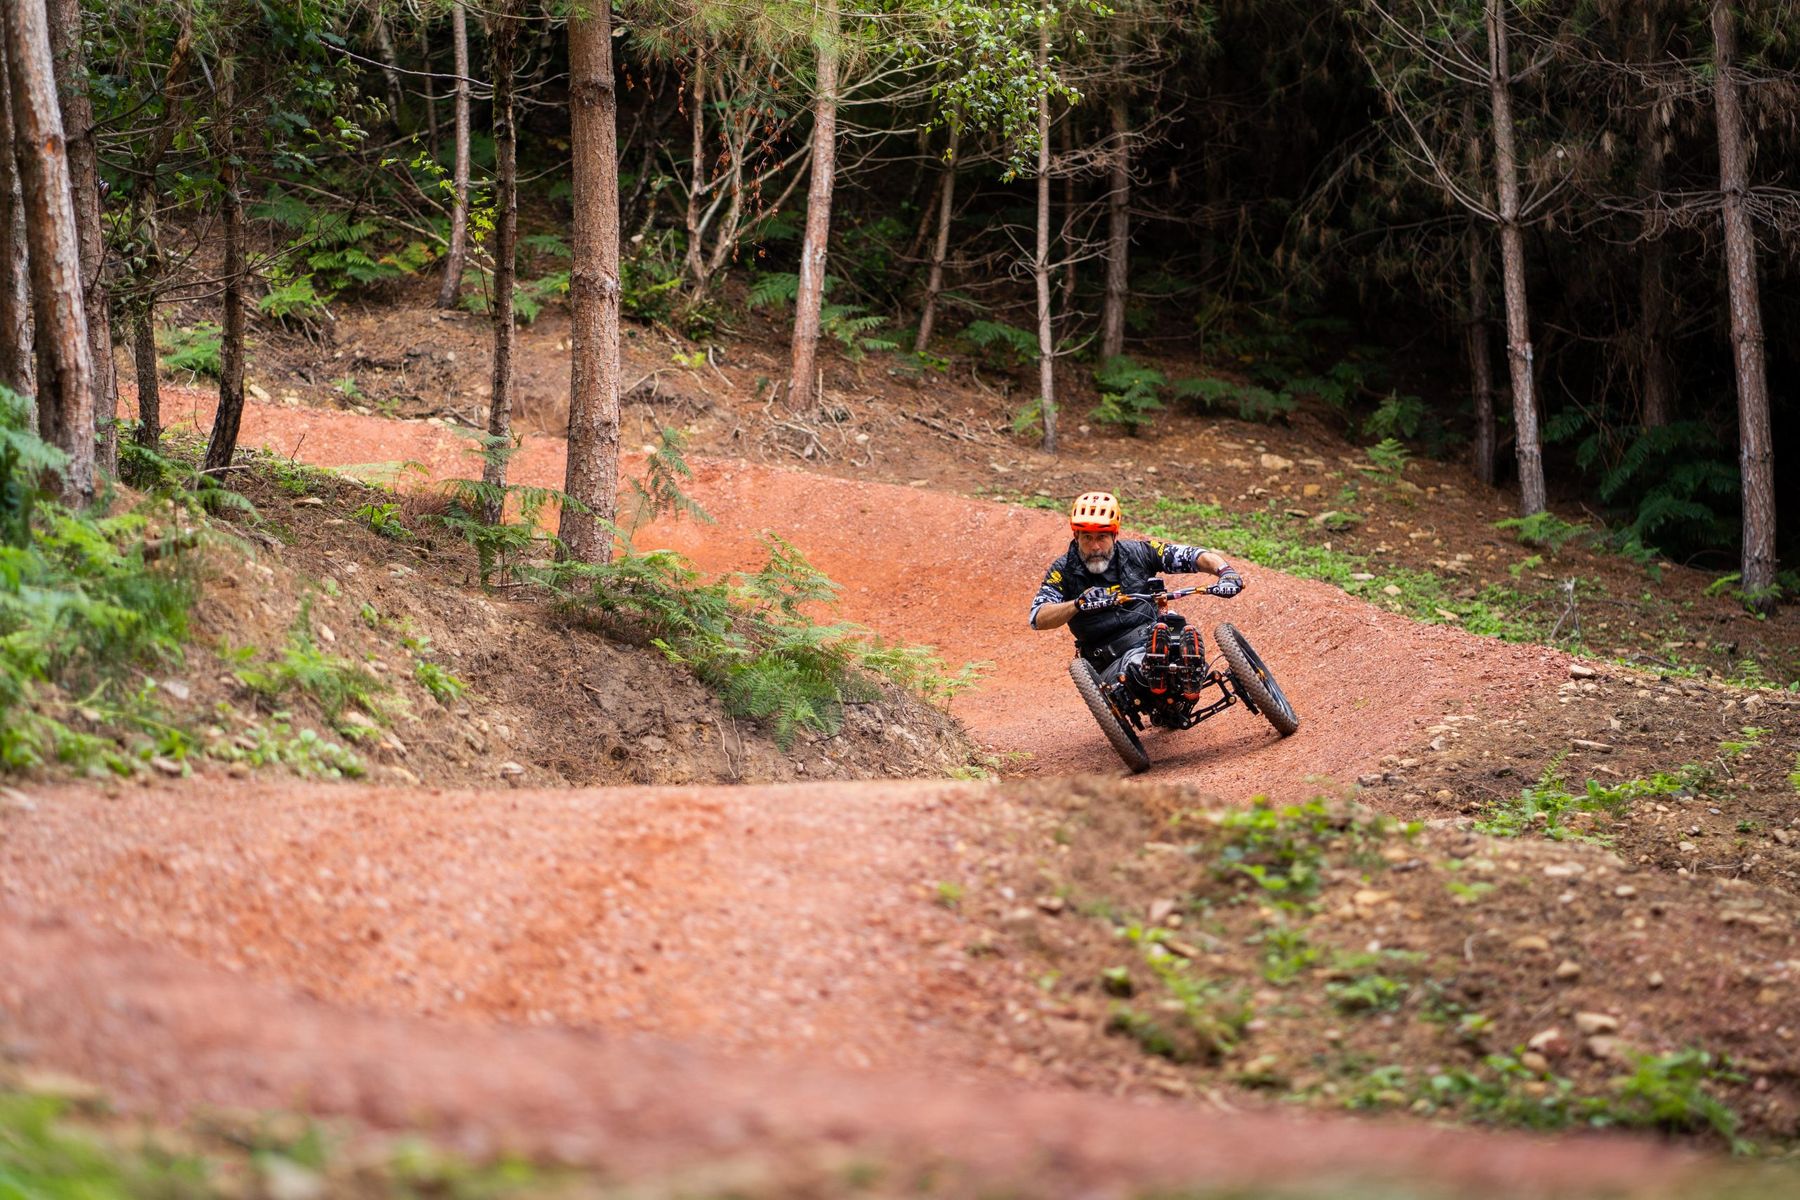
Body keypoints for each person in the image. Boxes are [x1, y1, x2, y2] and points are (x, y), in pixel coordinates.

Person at [1029, 491, 1243, 692]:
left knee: (1178, 631)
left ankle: (1184, 671)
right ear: (1076, 537)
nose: (1095, 546)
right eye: (1087, 538)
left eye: (1101, 537)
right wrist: (1077, 604)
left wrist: (1225, 572)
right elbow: (1038, 617)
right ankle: (1153, 669)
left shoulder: (1137, 553)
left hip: (1152, 635)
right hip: (1109, 659)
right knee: (1136, 666)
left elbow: (1190, 555)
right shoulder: (1063, 570)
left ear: (1114, 535)